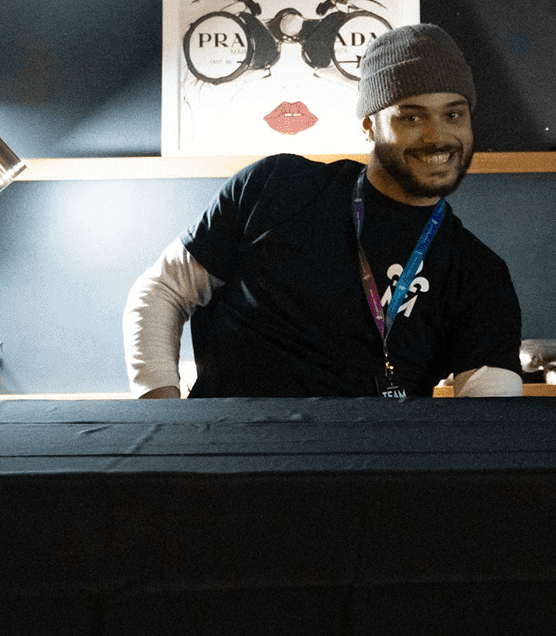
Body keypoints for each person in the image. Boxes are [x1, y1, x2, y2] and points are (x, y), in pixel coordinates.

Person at [124, 23, 524, 399]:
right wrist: (163, 414)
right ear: (369, 125)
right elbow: (163, 291)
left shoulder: (479, 273)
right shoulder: (276, 186)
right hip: (229, 443)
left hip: (365, 452)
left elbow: (492, 416)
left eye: (453, 114)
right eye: (412, 116)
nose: (437, 137)